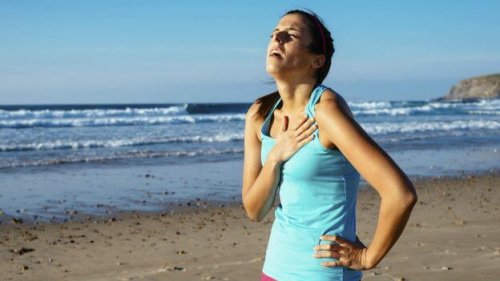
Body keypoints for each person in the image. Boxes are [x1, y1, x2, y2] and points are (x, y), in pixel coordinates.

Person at [241, 9, 417, 281]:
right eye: (275, 33)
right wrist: (276, 157)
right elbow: (254, 210)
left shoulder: (326, 111)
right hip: (275, 268)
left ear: (317, 60)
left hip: (322, 273)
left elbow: (400, 193)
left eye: (291, 35)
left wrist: (367, 256)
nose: (278, 37)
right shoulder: (259, 114)